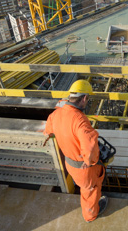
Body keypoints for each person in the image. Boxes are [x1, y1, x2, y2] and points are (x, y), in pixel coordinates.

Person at [44, 79, 108, 222]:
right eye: (88, 98)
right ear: (84, 98)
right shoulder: (80, 120)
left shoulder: (57, 114)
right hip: (83, 168)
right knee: (90, 190)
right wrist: (89, 161)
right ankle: (90, 216)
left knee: (84, 187)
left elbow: (48, 131)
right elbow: (90, 146)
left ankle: (91, 206)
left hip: (70, 163)